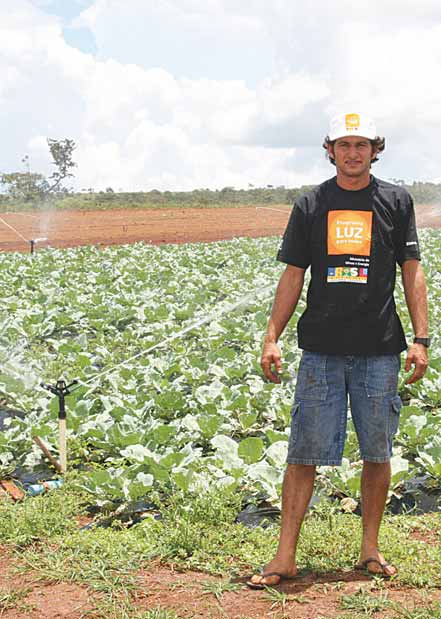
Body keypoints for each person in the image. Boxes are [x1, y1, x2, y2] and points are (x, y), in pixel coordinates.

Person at [248, 112, 429, 589]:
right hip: (321, 351)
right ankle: (284, 555)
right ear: (330, 149)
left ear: (375, 150)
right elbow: (293, 274)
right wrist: (272, 336)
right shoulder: (312, 203)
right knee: (302, 453)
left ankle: (370, 549)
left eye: (362, 145)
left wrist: (421, 338)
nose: (353, 153)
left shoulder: (395, 200)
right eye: (345, 145)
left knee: (377, 451)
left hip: (380, 350)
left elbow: (412, 269)